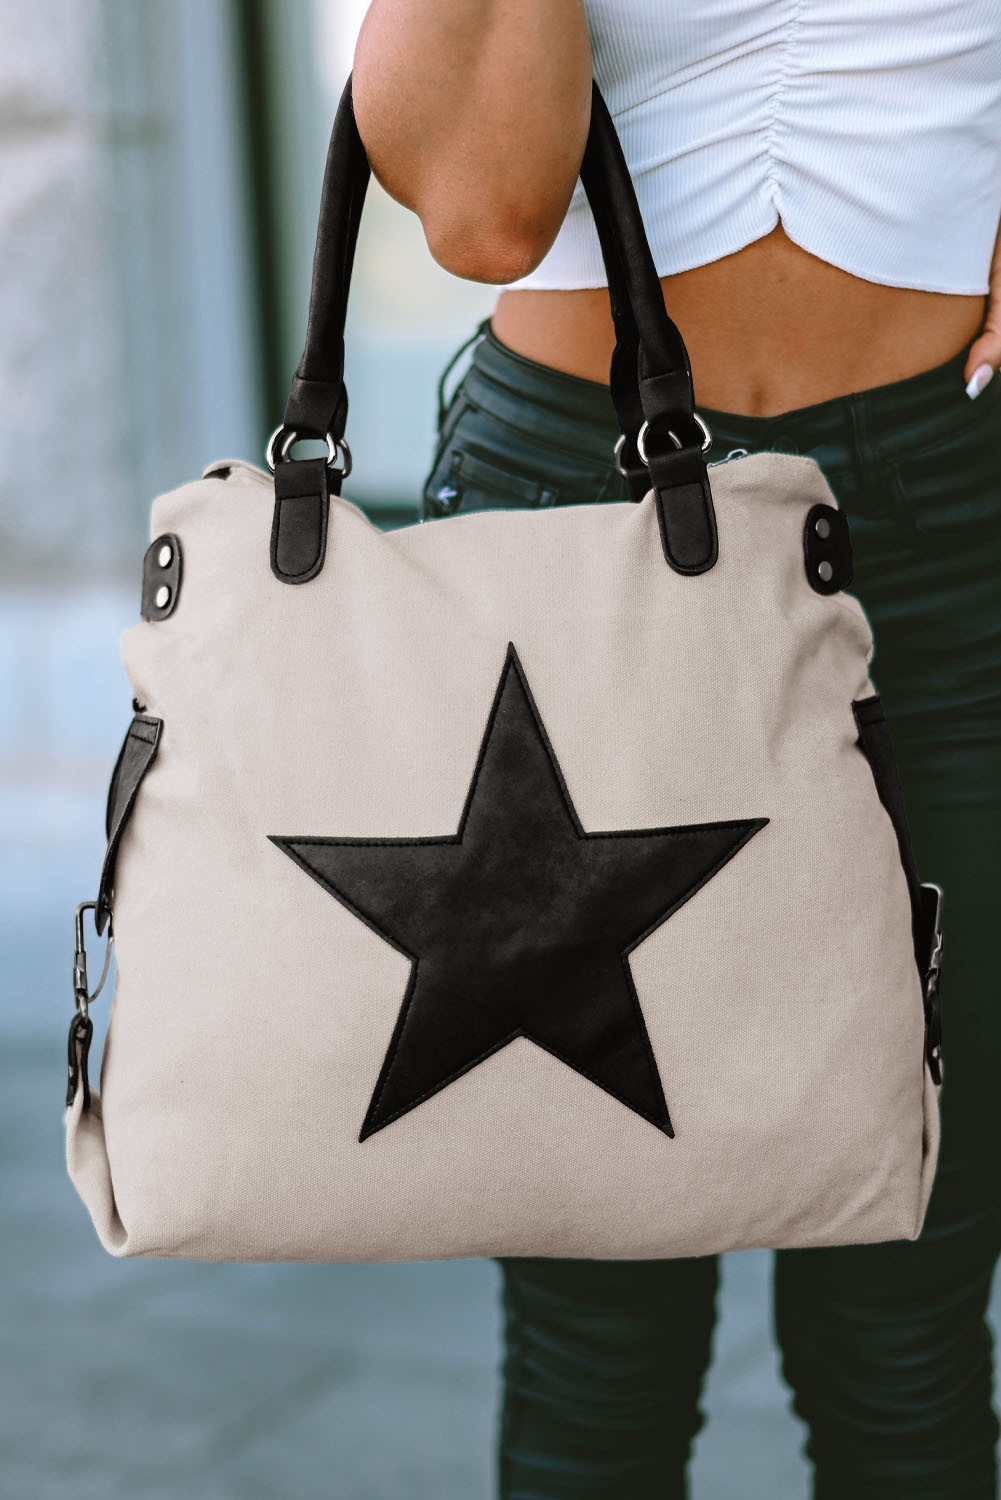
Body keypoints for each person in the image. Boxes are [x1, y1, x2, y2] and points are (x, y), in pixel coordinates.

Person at [352, 3, 1001, 1495]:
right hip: (579, 511)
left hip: (948, 515)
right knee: (601, 1338)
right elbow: (485, 213)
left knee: (910, 1308)